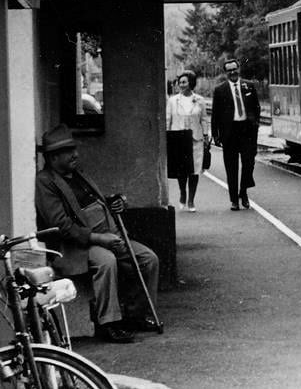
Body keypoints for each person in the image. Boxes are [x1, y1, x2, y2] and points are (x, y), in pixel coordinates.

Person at [35, 124, 160, 344]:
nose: (75, 154)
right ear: (53, 157)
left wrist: (117, 202)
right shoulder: (46, 181)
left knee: (148, 259)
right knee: (106, 261)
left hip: (107, 235)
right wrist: (99, 239)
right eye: (68, 151)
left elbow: (99, 202)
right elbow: (61, 225)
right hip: (76, 247)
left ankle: (136, 314)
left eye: (74, 149)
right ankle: (109, 323)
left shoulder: (77, 175)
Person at [211, 58, 260, 210]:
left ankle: (243, 192)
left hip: (247, 131)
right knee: (231, 167)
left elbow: (256, 108)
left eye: (235, 69)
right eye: (229, 70)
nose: (233, 72)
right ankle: (234, 200)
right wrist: (216, 135)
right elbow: (215, 115)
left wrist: (255, 126)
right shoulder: (220, 90)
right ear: (225, 72)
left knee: (248, 164)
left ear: (239, 69)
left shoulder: (249, 86)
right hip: (229, 133)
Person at [166, 70, 209, 212]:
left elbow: (204, 119)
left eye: (184, 82)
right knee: (181, 170)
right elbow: (168, 119)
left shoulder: (200, 100)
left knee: (195, 170)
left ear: (191, 83)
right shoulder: (173, 101)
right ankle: (182, 193)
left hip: (195, 139)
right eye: (180, 82)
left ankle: (191, 200)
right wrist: (167, 137)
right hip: (178, 139)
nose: (181, 85)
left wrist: (206, 135)